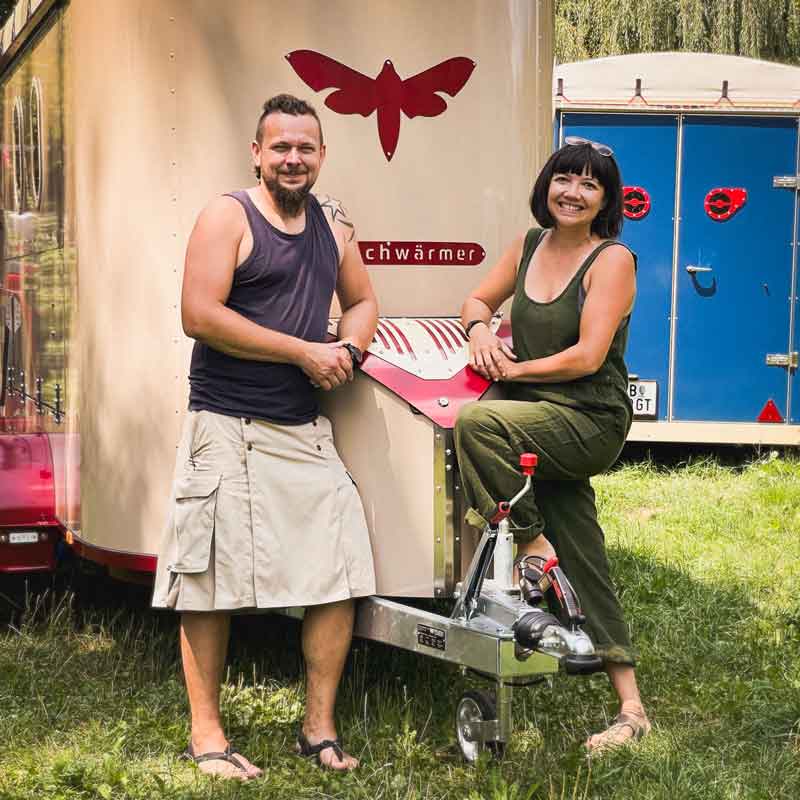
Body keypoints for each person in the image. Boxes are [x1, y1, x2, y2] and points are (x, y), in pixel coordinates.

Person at [152, 94, 378, 779]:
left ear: (322, 155)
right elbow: (199, 314)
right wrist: (303, 352)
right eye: (280, 147)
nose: (292, 159)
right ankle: (207, 738)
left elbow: (363, 300)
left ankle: (318, 729)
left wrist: (350, 350)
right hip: (227, 424)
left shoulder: (333, 225)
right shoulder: (228, 216)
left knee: (341, 569)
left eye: (305, 147)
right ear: (257, 153)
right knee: (208, 582)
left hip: (302, 428)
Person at [453, 137, 650, 753]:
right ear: (548, 186)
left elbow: (588, 356)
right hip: (537, 414)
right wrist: (481, 330)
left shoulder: (611, 261)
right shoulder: (529, 244)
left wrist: (511, 371)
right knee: (583, 549)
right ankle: (632, 707)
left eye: (590, 184)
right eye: (565, 178)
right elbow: (477, 298)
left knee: (476, 424)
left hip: (589, 416)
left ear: (606, 201)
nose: (573, 192)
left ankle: (532, 547)